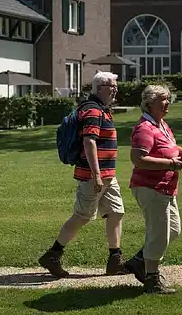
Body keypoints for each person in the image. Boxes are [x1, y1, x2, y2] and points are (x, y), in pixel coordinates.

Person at [38, 71, 129, 278]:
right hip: (93, 176)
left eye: (116, 85)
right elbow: (89, 142)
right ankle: (53, 255)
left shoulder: (101, 109)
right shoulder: (93, 111)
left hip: (107, 175)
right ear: (99, 88)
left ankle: (115, 259)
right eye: (112, 86)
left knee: (116, 211)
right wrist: (96, 174)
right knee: (82, 216)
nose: (116, 89)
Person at [128, 84, 182, 294]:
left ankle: (139, 261)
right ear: (149, 103)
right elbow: (138, 159)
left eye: (168, 98)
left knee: (173, 230)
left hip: (166, 188)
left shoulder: (161, 124)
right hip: (150, 187)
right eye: (163, 99)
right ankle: (152, 281)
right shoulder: (144, 128)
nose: (168, 102)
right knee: (159, 235)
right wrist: (171, 164)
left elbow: (169, 148)